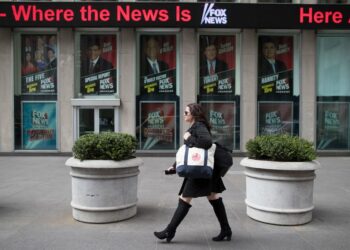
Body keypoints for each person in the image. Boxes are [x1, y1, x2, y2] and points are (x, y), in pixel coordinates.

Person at [154, 103, 232, 243]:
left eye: (186, 112)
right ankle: (226, 230)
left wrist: (188, 137)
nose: (184, 115)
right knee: (213, 197)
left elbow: (206, 142)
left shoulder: (199, 126)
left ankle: (169, 231)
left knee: (185, 198)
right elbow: (190, 152)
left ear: (193, 114)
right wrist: (174, 166)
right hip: (204, 169)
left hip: (200, 172)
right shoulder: (196, 126)